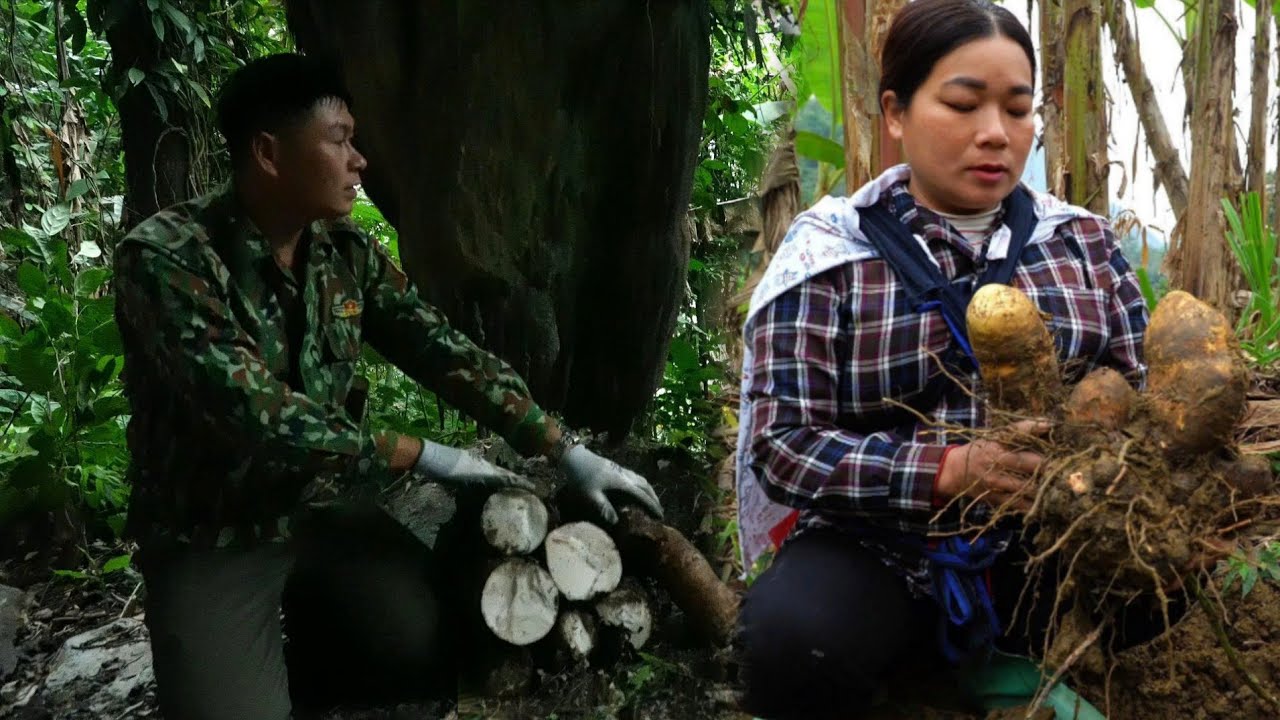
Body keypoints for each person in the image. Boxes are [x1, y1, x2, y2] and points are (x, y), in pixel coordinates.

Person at [112, 53, 663, 720]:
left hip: (319, 509)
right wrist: (420, 454)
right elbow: (255, 414)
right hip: (216, 533)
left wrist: (560, 445)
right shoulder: (168, 258)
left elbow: (442, 350)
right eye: (339, 139)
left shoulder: (341, 253)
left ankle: (309, 649)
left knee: (417, 643)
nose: (360, 160)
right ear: (268, 153)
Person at [732, 2, 1177, 717]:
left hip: (1051, 539)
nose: (995, 132)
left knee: (1166, 568)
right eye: (964, 105)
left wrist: (1103, 461)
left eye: (1018, 109)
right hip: (878, 546)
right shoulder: (829, 256)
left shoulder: (1084, 245)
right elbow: (783, 446)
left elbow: (1141, 393)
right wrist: (944, 472)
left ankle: (1026, 657)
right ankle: (921, 665)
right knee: (791, 643)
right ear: (896, 112)